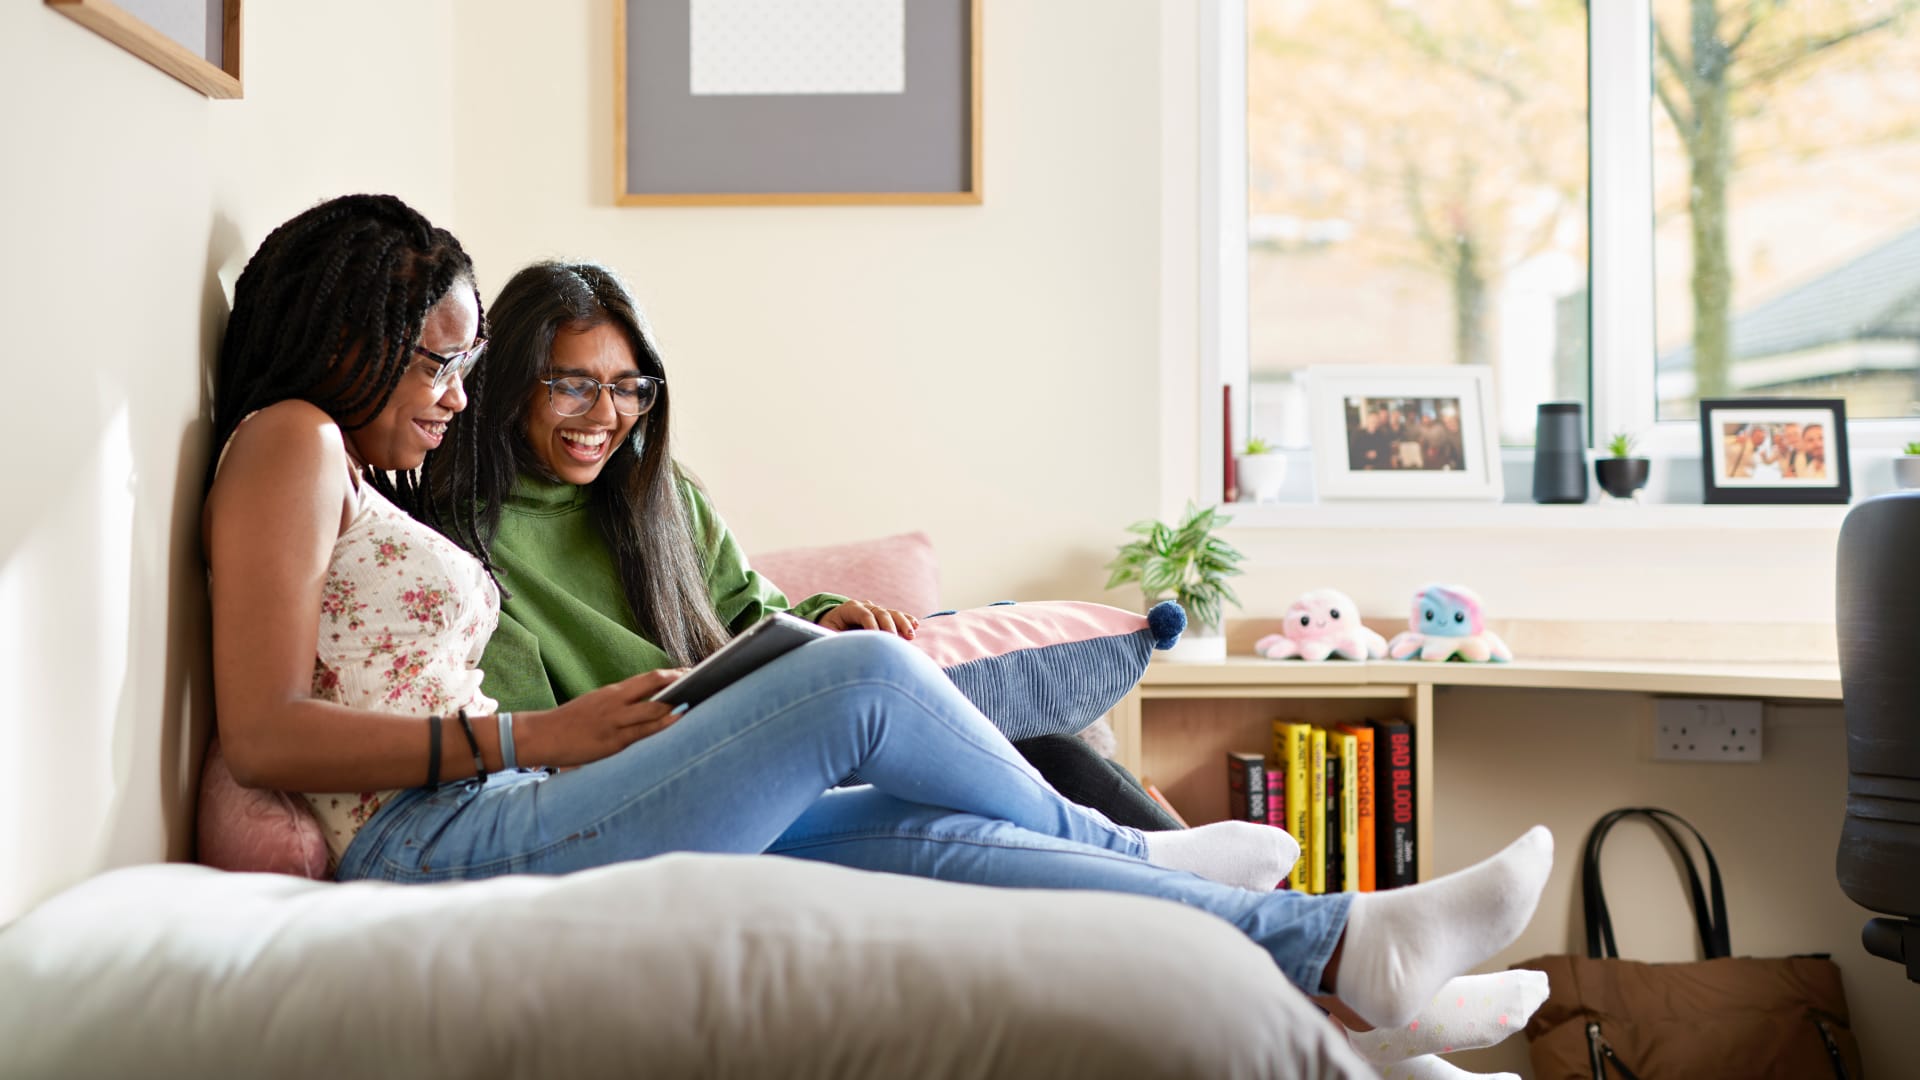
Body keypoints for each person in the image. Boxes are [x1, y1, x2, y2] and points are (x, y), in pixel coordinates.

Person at [205, 207, 1552, 1038]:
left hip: (512, 803)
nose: (453, 388)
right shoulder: (292, 439)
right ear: (348, 332)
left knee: (940, 836)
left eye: (462, 363)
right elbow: (264, 731)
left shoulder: (358, 464)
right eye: (443, 359)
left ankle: (1342, 952)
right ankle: (1166, 868)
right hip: (454, 838)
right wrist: (534, 733)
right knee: (857, 681)